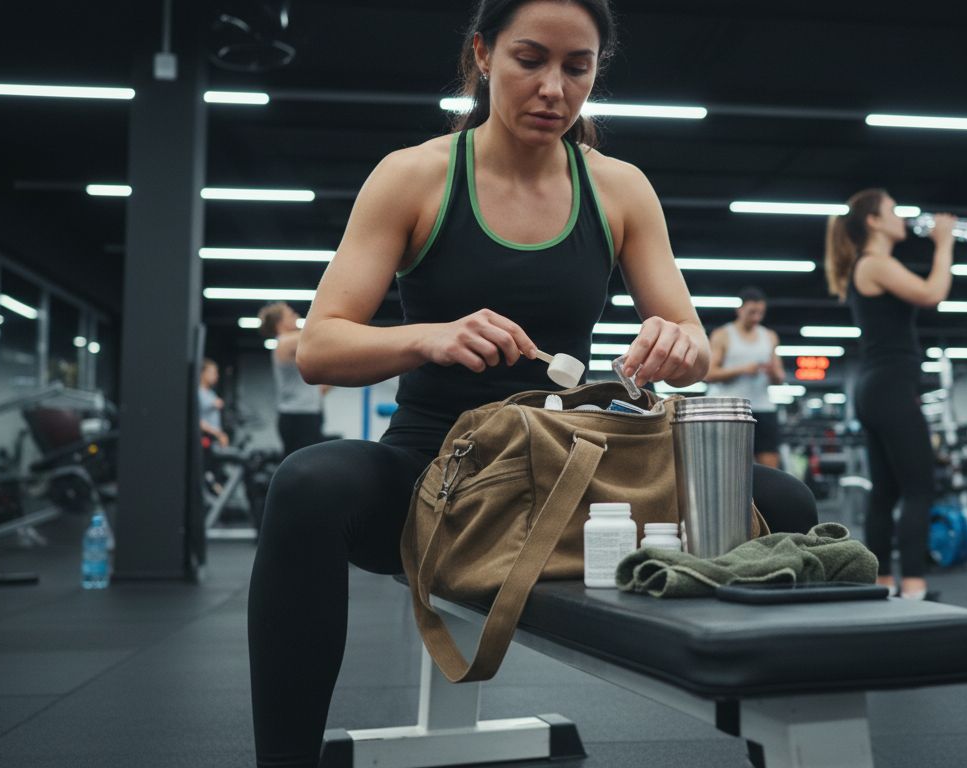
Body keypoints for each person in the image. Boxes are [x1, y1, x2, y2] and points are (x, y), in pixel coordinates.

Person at [247, 2, 819, 765]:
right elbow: (317, 348)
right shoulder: (413, 175)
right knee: (308, 484)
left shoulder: (619, 189)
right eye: (530, 60)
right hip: (433, 479)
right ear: (483, 55)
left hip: (573, 471)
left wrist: (676, 344)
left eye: (576, 68)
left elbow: (694, 344)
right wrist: (429, 336)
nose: (554, 86)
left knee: (782, 502)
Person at [825, 189, 956, 601]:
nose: (902, 218)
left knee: (887, 491)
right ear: (874, 222)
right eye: (894, 211)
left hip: (878, 387)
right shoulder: (876, 263)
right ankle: (914, 586)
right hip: (890, 387)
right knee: (919, 487)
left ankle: (882, 585)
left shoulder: (869, 265)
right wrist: (945, 242)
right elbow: (933, 293)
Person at [704, 286, 786, 467]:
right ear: (739, 310)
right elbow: (708, 373)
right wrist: (742, 369)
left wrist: (773, 372)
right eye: (751, 312)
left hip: (762, 407)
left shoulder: (769, 336)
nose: (756, 317)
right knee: (728, 465)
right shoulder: (723, 335)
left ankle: (765, 497)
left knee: (770, 465)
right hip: (728, 409)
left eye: (760, 313)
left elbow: (779, 378)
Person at [257, 302, 329, 457]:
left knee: (314, 465)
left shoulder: (297, 345)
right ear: (279, 323)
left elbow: (321, 388)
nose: (296, 316)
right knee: (302, 467)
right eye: (291, 314)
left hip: (311, 414)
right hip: (297, 417)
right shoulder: (284, 342)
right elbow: (317, 334)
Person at [198, 358, 229, 447]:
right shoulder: (197, 393)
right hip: (204, 438)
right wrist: (218, 434)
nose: (217, 376)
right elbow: (197, 420)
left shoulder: (211, 393)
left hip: (214, 439)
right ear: (202, 373)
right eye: (213, 373)